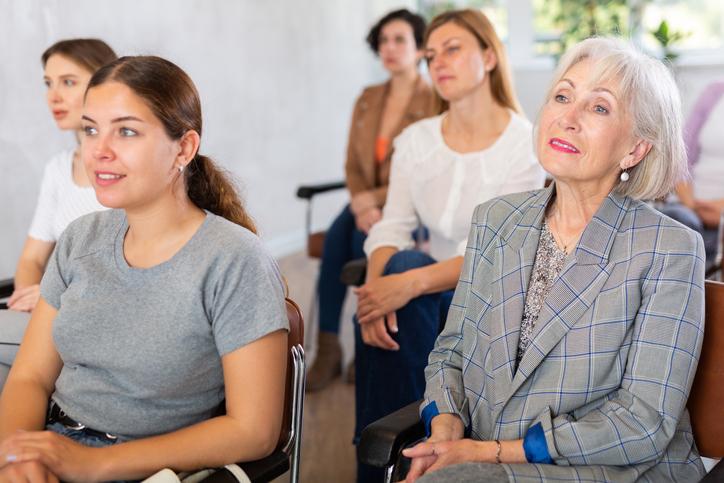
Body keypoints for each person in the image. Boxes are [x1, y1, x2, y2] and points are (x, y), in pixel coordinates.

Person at [402, 37, 706, 483]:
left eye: (599, 108)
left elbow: (644, 421)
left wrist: (491, 454)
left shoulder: (669, 248)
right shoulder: (495, 220)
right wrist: (444, 430)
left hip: (613, 470)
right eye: (562, 96)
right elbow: (451, 353)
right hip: (480, 457)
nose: (568, 118)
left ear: (636, 149)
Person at [0, 56, 289, 482]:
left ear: (184, 149)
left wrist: (95, 463)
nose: (98, 150)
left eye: (127, 131)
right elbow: (30, 376)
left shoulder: (235, 260)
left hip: (151, 467)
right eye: (91, 129)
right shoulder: (81, 238)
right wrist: (17, 456)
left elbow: (254, 431)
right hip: (54, 445)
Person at [353, 9, 545, 481]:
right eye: (432, 54)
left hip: (489, 305)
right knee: (403, 262)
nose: (438, 62)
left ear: (488, 56)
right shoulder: (415, 141)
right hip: (420, 301)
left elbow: (496, 250)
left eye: (453, 49)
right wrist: (376, 294)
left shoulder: (526, 144)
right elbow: (392, 223)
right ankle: (412, 453)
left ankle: (385, 459)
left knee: (411, 268)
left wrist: (406, 282)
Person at [308, 8, 436, 391]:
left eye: (400, 40)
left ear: (419, 49)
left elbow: (425, 170)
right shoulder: (368, 97)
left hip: (414, 206)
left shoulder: (434, 99)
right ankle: (328, 350)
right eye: (383, 41)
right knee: (339, 238)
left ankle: (360, 338)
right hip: (366, 202)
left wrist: (371, 202)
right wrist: (363, 202)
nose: (390, 48)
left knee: (352, 242)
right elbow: (351, 161)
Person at [0, 38, 117, 389]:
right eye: (48, 84)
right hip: (51, 314)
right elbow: (32, 259)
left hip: (97, 318)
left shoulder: (124, 172)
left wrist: (54, 298)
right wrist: (34, 297)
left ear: (104, 86)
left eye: (68, 82)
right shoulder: (57, 169)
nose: (53, 96)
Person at [660, 81, 724, 265]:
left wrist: (721, 212)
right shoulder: (714, 92)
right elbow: (681, 156)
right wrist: (693, 206)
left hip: (719, 216)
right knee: (678, 223)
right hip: (688, 207)